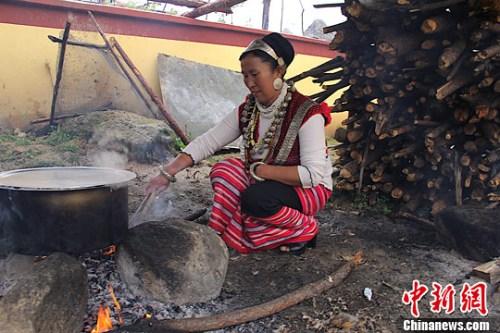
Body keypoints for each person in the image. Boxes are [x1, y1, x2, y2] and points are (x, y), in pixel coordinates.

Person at [146, 32, 333, 255]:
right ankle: (257, 227)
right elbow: (209, 140)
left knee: (254, 201)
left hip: (307, 188)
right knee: (223, 171)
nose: (249, 83)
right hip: (265, 178)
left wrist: (262, 170)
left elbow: (312, 175)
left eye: (254, 74)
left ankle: (305, 228)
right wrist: (167, 173)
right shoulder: (250, 109)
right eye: (245, 76)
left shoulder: (307, 112)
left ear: (279, 71)